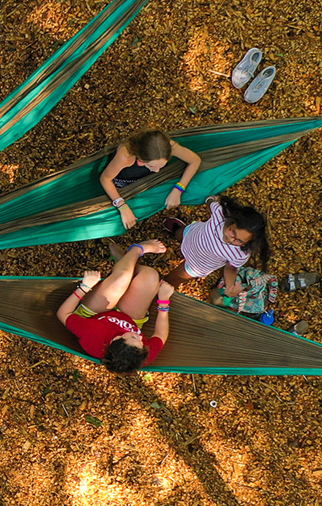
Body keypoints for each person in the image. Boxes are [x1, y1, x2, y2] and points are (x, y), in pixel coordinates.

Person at [55, 241, 175, 373]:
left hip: (93, 315)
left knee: (122, 278)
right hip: (131, 319)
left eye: (134, 338)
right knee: (151, 276)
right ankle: (125, 259)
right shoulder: (140, 355)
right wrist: (164, 302)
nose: (141, 337)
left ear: (117, 338)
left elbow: (63, 314)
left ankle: (135, 251)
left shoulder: (91, 333)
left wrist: (84, 287)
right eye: (141, 342)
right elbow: (160, 334)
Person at [163, 196, 272, 299]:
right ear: (231, 220)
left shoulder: (241, 254)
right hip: (192, 236)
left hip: (197, 265)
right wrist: (211, 198)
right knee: (180, 233)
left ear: (248, 242)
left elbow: (230, 268)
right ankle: (177, 230)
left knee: (174, 278)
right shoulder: (220, 215)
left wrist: (230, 286)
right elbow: (210, 202)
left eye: (240, 241)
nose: (232, 239)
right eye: (233, 232)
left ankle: (160, 289)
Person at [97, 129, 205, 229]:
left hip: (150, 181)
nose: (157, 170)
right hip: (124, 182)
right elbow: (105, 179)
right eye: (152, 166)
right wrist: (122, 206)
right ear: (140, 158)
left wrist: (178, 189)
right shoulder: (126, 155)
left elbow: (195, 160)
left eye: (161, 165)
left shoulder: (168, 148)